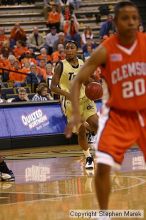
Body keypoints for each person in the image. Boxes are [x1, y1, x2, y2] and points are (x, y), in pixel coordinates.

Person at [65, 1, 146, 218]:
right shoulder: (106, 49)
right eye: (125, 18)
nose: (131, 22)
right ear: (115, 22)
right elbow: (78, 80)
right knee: (102, 165)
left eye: (134, 18)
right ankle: (103, 214)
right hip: (118, 115)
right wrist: (74, 112)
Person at [51, 40, 98, 169]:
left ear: (76, 50)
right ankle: (88, 156)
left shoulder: (82, 63)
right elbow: (53, 87)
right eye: (67, 48)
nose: (69, 49)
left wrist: (94, 85)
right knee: (81, 131)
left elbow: (86, 80)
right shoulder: (60, 65)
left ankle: (95, 137)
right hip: (71, 103)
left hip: (85, 98)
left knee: (96, 124)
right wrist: (67, 94)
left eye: (72, 47)